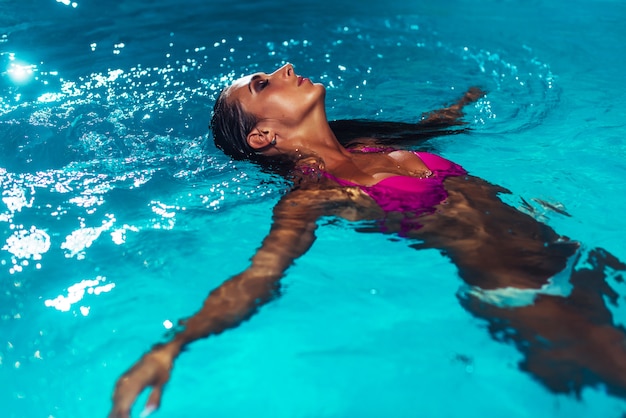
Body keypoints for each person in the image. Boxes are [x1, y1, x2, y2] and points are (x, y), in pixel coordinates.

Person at [109, 64, 626, 417]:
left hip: (580, 256)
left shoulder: (371, 145)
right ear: (262, 136)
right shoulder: (313, 196)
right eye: (265, 84)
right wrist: (173, 344)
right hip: (528, 292)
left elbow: (433, 129)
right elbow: (260, 276)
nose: (286, 69)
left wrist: (461, 104)